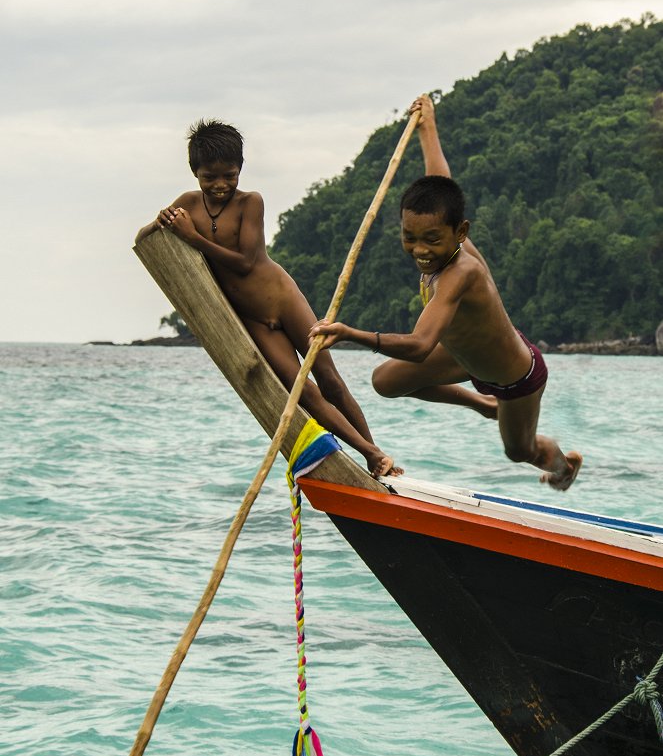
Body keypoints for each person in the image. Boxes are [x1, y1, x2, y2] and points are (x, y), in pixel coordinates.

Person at [309, 95, 582, 491]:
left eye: (432, 239)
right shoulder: (441, 244)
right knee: (385, 382)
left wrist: (351, 333)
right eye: (410, 237)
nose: (420, 249)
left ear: (460, 233)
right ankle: (482, 404)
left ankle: (563, 466)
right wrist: (428, 125)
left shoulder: (461, 271)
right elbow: (442, 180)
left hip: (514, 377)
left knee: (520, 451)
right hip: (464, 359)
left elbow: (420, 345)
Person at [135, 119, 398, 477]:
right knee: (302, 391)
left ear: (240, 169)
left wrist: (193, 238)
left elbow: (245, 262)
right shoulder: (187, 204)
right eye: (209, 177)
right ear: (195, 172)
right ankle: (369, 453)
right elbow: (145, 237)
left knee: (330, 380)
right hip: (254, 319)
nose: (220, 185)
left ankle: (375, 455)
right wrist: (160, 220)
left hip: (282, 298)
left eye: (229, 175)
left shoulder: (251, 202)